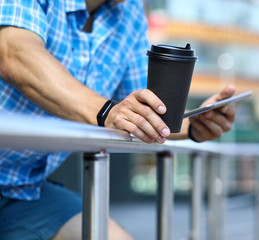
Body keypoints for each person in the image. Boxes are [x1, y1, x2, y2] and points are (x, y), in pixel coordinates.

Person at [0, 0, 237, 239]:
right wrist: (106, 112)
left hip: (24, 189)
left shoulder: (130, 12)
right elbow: (14, 54)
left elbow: (140, 113)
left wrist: (195, 125)